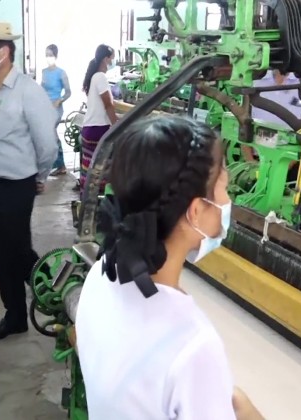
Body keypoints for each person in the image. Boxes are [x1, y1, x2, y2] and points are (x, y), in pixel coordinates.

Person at [76, 115, 263, 420]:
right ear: (195, 211)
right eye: (224, 188)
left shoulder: (100, 276)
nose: (228, 201)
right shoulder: (193, 344)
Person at [0, 22, 58, 341]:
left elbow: (46, 143)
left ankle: (59, 291)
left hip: (17, 184)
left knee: (17, 250)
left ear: (2, 52)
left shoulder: (28, 90)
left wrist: (40, 176)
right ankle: (15, 315)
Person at [78, 44, 119, 192]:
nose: (112, 62)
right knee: (103, 169)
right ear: (105, 59)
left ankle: (86, 198)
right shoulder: (100, 77)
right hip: (99, 130)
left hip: (89, 129)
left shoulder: (94, 77)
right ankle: (99, 200)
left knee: (90, 168)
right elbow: (108, 104)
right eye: (111, 59)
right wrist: (117, 126)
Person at [41, 44, 72, 177]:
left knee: (52, 133)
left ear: (56, 56)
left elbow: (68, 92)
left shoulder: (61, 73)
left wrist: (60, 100)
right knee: (48, 135)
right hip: (45, 107)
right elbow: (42, 89)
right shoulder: (44, 72)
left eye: (51, 55)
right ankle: (55, 164)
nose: (48, 57)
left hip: (56, 108)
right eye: (46, 55)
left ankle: (60, 165)